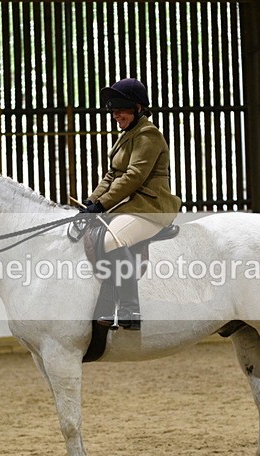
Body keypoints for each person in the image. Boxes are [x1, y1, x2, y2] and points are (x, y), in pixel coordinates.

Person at [80, 78, 182, 330]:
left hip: (151, 207)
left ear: (138, 108)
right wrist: (92, 201)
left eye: (121, 110)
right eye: (113, 111)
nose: (116, 115)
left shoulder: (148, 134)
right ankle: (105, 303)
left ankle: (129, 309)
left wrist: (103, 204)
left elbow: (133, 176)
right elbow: (111, 175)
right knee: (95, 231)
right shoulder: (127, 136)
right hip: (132, 205)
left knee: (113, 238)